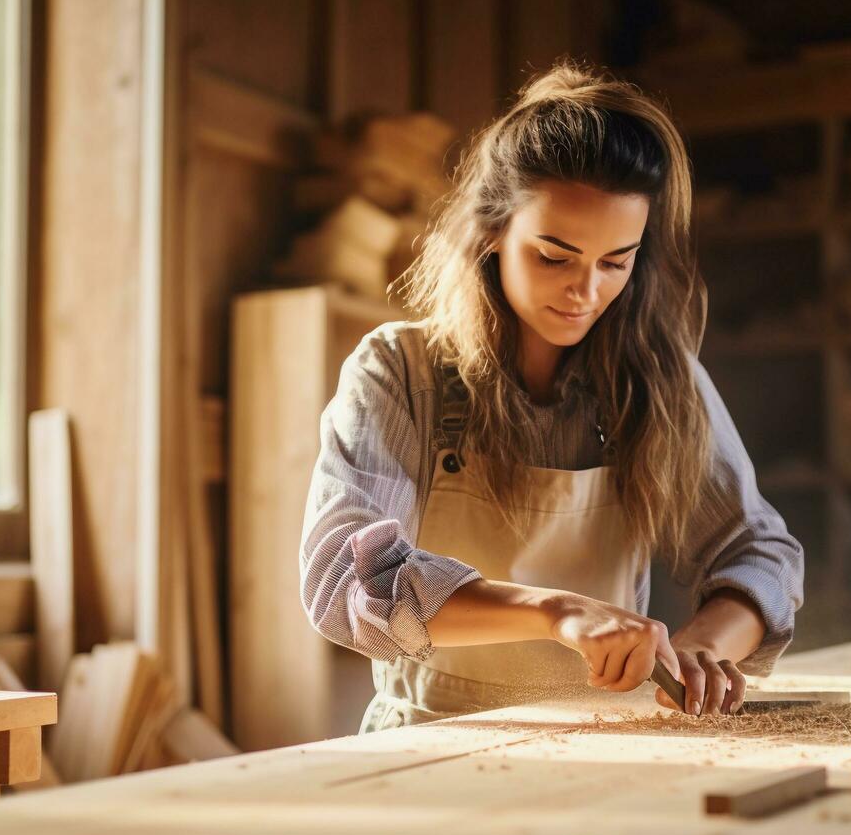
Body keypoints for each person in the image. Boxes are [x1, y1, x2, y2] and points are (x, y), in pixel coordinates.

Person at [299, 61, 804, 734]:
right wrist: (554, 612)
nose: (584, 291)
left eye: (614, 262)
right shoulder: (401, 371)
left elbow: (758, 551)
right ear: (490, 234)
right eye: (553, 255)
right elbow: (348, 579)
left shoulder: (662, 381)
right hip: (431, 739)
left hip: (610, 741)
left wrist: (705, 647)